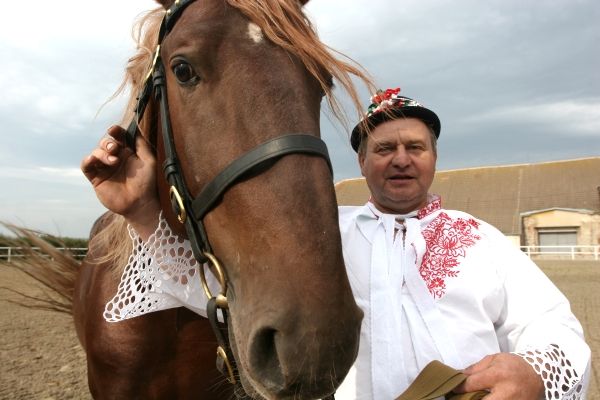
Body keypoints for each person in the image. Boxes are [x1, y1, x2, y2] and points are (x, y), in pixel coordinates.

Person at [82, 88, 591, 399]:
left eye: (415, 147)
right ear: (362, 164)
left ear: (434, 159)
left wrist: (536, 373)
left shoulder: (483, 239)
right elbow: (222, 296)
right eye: (383, 148)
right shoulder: (326, 233)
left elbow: (550, 323)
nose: (400, 159)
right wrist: (143, 213)